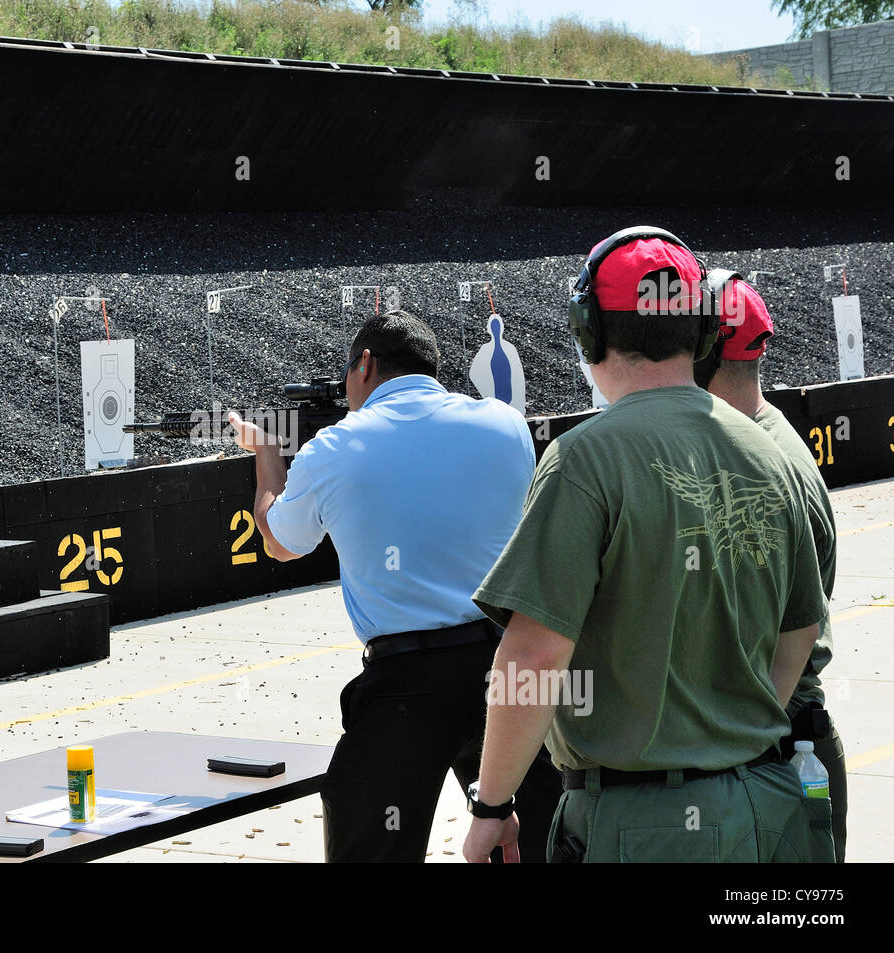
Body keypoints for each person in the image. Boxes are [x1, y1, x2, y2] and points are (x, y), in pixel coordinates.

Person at [462, 226, 830, 863]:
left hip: (646, 826)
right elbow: (801, 628)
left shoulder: (584, 458)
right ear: (706, 334)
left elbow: (533, 657)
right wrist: (729, 735)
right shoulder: (770, 454)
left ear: (591, 330)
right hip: (771, 807)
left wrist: (492, 805)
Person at [229, 310, 562, 863]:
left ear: (365, 363)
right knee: (545, 842)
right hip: (506, 663)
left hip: (405, 682)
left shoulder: (333, 448)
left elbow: (279, 542)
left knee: (371, 843)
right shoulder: (505, 425)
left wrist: (268, 456)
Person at [695, 269, 846, 861]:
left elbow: (787, 635)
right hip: (780, 744)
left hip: (775, 751)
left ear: (703, 356)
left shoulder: (756, 467)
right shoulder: (763, 436)